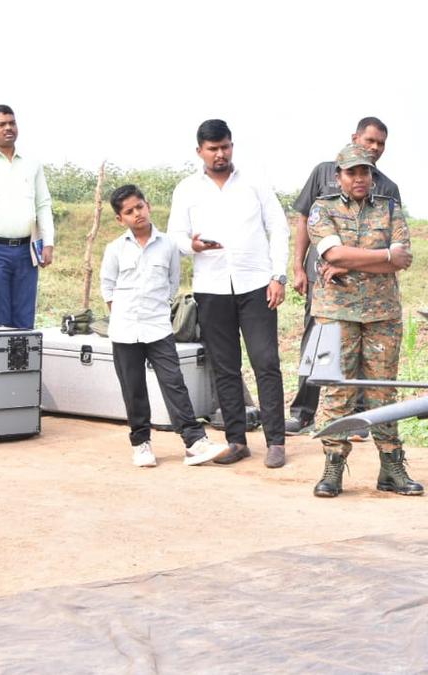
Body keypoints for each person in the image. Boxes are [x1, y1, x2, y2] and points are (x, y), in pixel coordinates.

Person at [167, 119, 290, 469]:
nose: (220, 154)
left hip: (256, 285)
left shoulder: (254, 182)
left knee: (266, 361)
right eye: (212, 149)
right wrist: (190, 245)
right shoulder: (187, 189)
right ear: (199, 152)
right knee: (225, 366)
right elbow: (176, 233)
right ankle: (236, 441)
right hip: (212, 287)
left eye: (225, 147)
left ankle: (276, 441)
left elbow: (278, 228)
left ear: (232, 146)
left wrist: (278, 276)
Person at [308, 144, 422, 498]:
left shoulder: (390, 209)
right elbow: (332, 252)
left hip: (381, 313)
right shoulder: (321, 209)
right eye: (352, 172)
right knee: (336, 389)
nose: (360, 178)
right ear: (338, 176)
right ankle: (332, 468)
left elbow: (401, 259)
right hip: (335, 312)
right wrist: (380, 255)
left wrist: (349, 263)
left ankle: (391, 467)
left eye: (365, 172)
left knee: (382, 389)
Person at [285, 117, 401, 435]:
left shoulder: (388, 189)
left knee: (366, 353)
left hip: (370, 289)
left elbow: (398, 252)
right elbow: (305, 218)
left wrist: (349, 263)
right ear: (355, 138)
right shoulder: (324, 171)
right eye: (370, 141)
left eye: (380, 143)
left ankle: (358, 418)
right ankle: (303, 411)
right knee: (319, 343)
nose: (374, 148)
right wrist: (297, 266)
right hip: (325, 280)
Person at [101, 185, 231, 468]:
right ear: (119, 219)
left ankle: (195, 442)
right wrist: (124, 315)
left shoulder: (169, 245)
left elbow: (172, 283)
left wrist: (154, 311)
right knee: (133, 388)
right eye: (129, 211)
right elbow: (108, 288)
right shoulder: (114, 249)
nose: (137, 214)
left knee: (174, 383)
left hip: (158, 328)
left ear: (148, 206)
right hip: (124, 331)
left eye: (140, 207)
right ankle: (141, 443)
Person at [0, 105, 53, 329]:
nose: (8, 128)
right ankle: (1, 365)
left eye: (11, 123)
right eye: (1, 124)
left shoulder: (31, 163)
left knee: (25, 316)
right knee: (1, 318)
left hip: (27, 250)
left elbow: (43, 204)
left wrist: (48, 243)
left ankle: (25, 365)